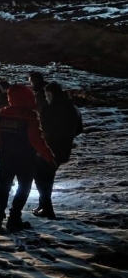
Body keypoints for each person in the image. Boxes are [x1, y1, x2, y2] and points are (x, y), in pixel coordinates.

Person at [0, 85, 57, 233]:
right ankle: (14, 219)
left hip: (6, 157)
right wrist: (49, 157)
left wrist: (0, 151)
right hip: (25, 159)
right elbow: (37, 140)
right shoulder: (29, 116)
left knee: (3, 189)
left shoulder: (2, 114)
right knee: (23, 188)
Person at [33, 82, 83, 219]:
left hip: (47, 149)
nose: (46, 98)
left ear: (50, 94)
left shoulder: (49, 109)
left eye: (46, 95)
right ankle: (43, 205)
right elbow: (79, 129)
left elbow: (42, 129)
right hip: (63, 149)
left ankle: (47, 208)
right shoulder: (73, 108)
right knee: (48, 177)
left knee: (41, 178)